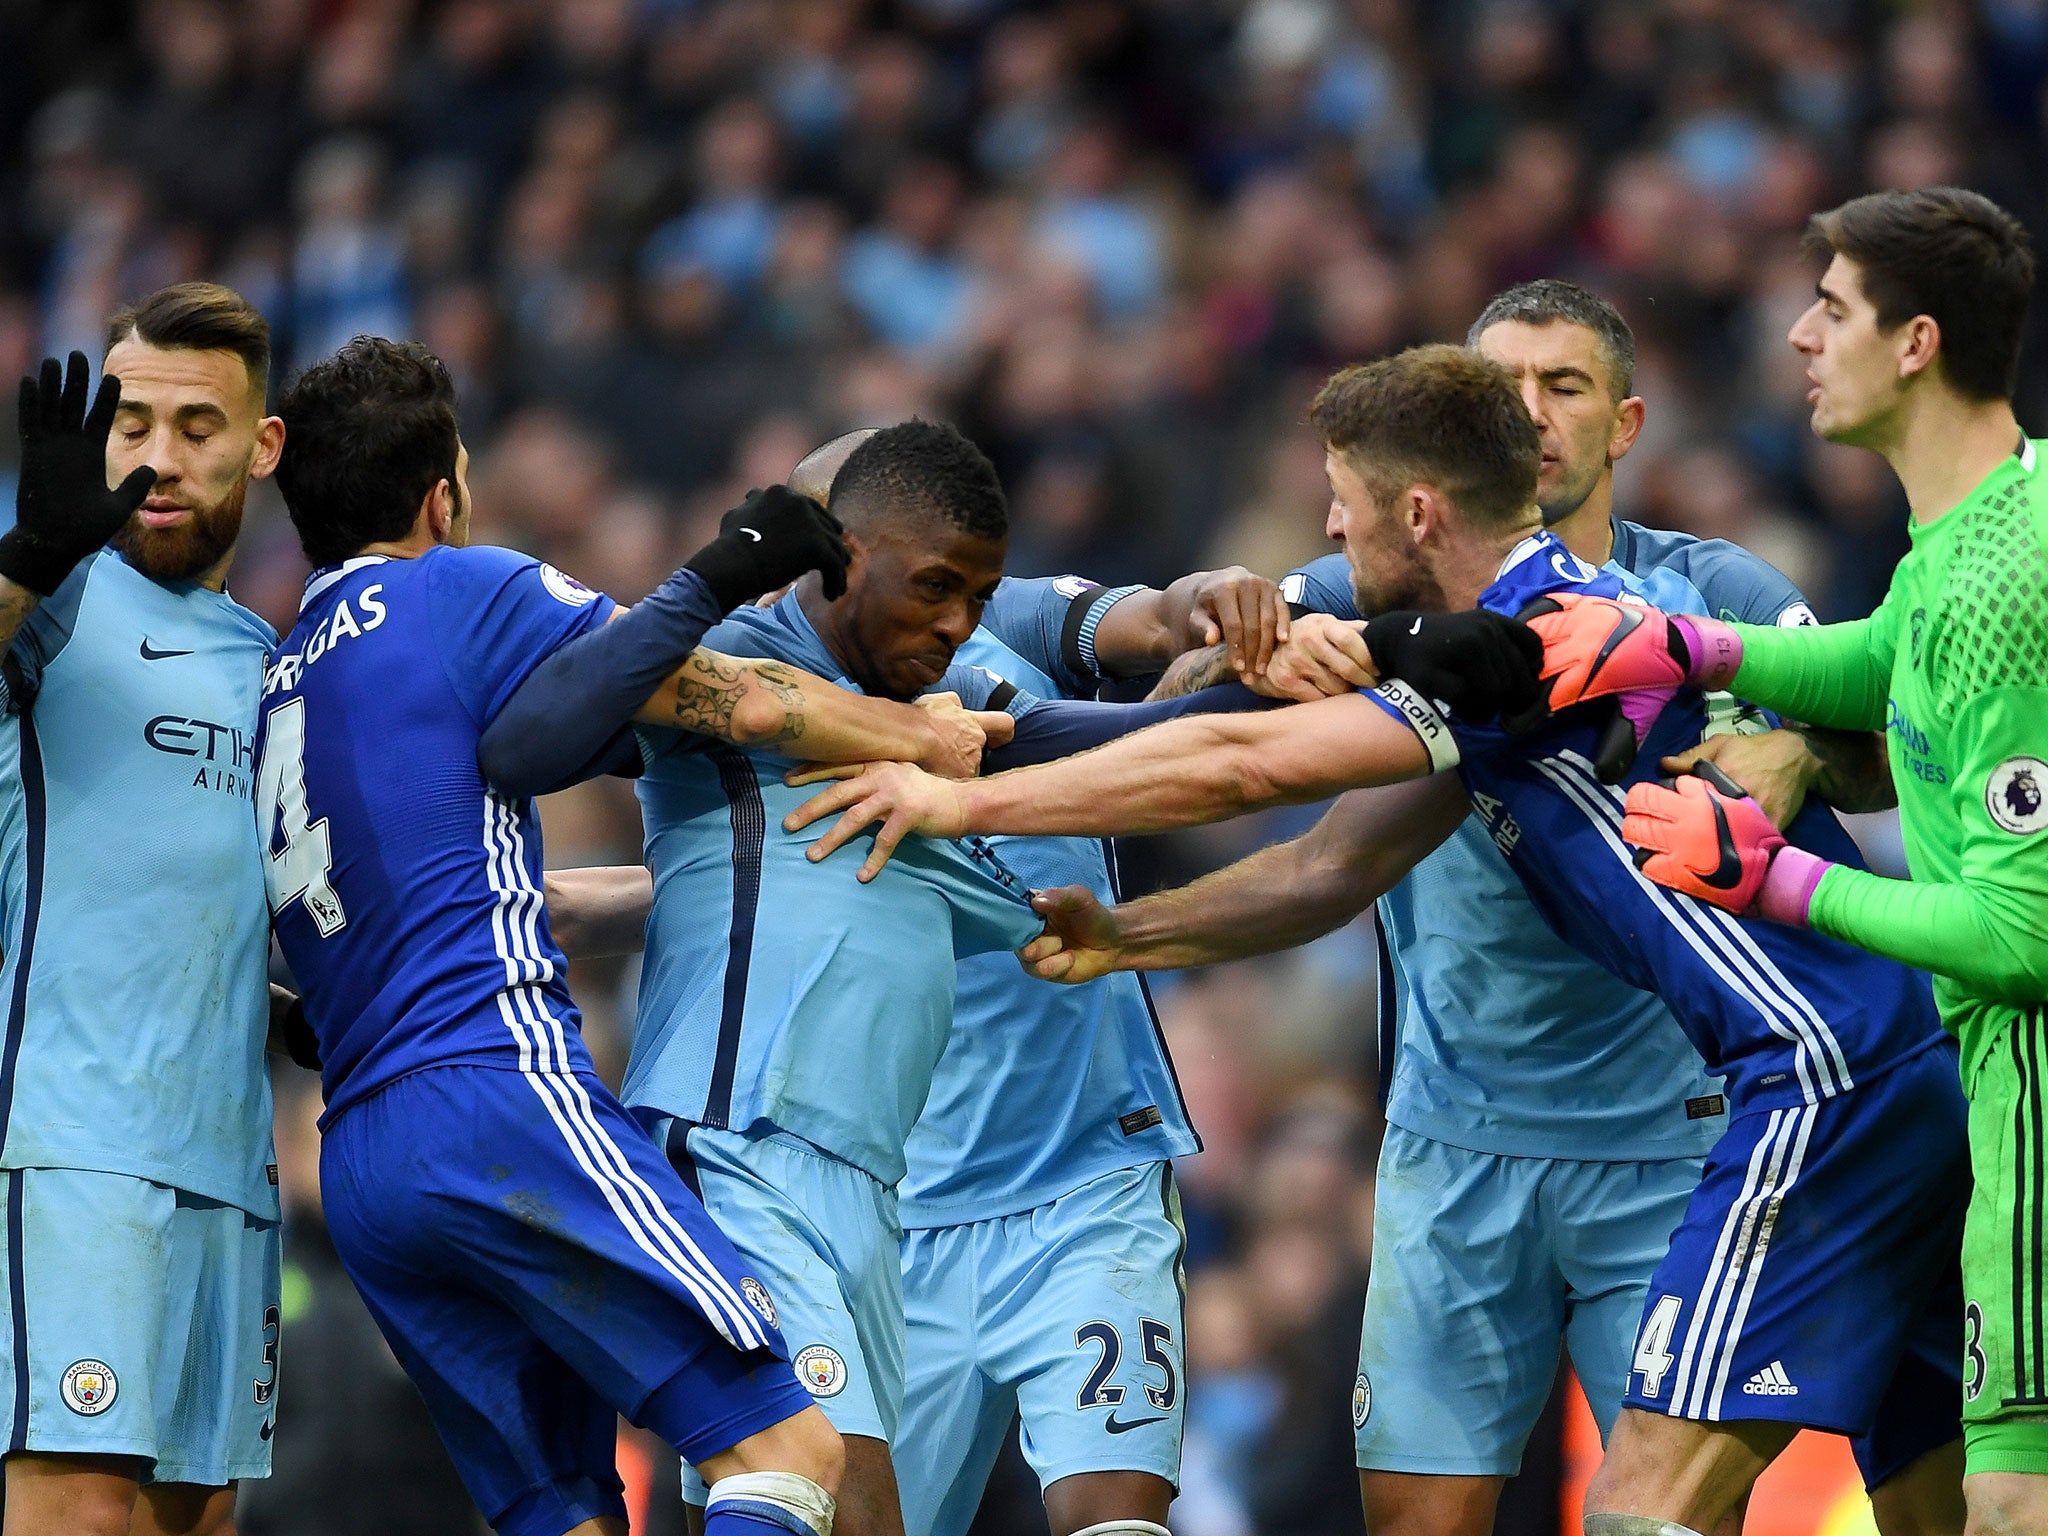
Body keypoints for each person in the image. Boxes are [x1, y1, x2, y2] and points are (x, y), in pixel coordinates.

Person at [784, 345, 1970, 1536]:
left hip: (1814, 1086)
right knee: (1960, 1508)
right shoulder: (1510, 627)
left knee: (1642, 1514)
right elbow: (1297, 824)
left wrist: (965, 796)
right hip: (1885, 1064)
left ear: (1414, 510)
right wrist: (1107, 896)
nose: (1324, 526)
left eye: (1340, 502)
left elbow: (1235, 768)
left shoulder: (1530, 642)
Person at [1125, 280, 1886, 1536]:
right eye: (1500, 388)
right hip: (1451, 1141)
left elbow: (1873, 744)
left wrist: (1802, 756)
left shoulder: (1712, 590)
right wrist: (1222, 610)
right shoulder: (1366, 580)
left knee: (1662, 1519)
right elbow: (1203, 682)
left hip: (1673, 1146)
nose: (1528, 413)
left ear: (1626, 423)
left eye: (1565, 385)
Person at [258, 336, 1008, 1536]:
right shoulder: (466, 589)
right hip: (495, 1097)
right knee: (788, 1449)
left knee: (565, 1518)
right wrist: (918, 739)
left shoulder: (279, 679)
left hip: (360, 1160)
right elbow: (733, 697)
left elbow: (427, 896)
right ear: (441, 496)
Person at [1523, 186, 2048, 1532]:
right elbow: (1875, 657)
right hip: (1985, 1103)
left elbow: (2026, 934)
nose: (1803, 337)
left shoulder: (2003, 580)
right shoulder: (1970, 539)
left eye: (1832, 309)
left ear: (1915, 342)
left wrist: (1772, 882)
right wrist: (1688, 647)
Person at [781, 431, 1287, 1536]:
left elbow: (1152, 619)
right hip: (893, 1218)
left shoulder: (988, 620)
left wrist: (1214, 599)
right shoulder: (764, 700)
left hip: (1084, 1185)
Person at [0, 284, 291, 1536]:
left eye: (197, 426)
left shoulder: (271, 659)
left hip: (230, 1170)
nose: (158, 460)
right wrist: (29, 555)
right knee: (79, 1515)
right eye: (131, 425)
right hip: (79, 1147)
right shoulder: (53, 607)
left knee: (195, 1523)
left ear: (261, 447)